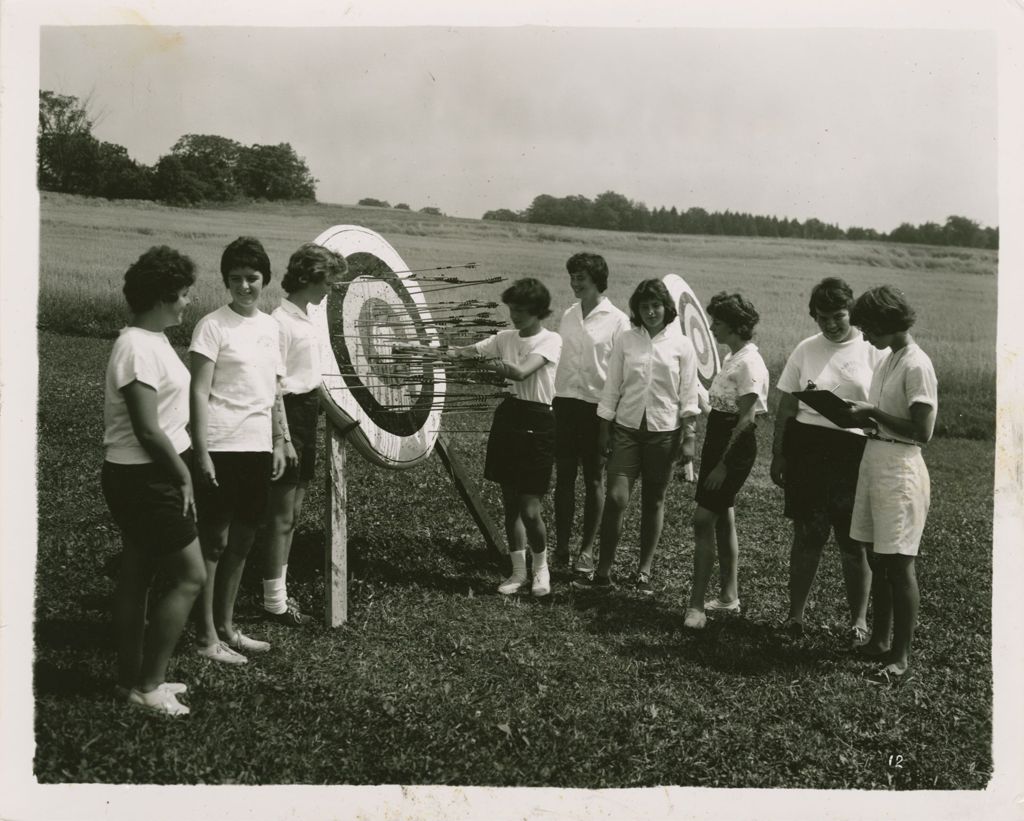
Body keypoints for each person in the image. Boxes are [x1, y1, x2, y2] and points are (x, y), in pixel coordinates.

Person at [102, 246, 207, 716]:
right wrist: (182, 473)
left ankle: (131, 682)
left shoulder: (153, 339)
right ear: (163, 296)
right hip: (147, 477)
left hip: (145, 474)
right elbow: (147, 429)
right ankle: (149, 687)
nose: (188, 302)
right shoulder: (136, 347)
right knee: (190, 575)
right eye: (183, 295)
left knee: (139, 573)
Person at [190, 237, 294, 664]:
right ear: (226, 282)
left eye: (252, 278)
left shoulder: (272, 327)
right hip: (220, 444)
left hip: (257, 449)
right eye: (235, 279)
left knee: (244, 540)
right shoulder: (211, 326)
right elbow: (198, 392)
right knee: (213, 543)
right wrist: (201, 451)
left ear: (264, 279)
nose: (244, 286)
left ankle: (229, 628)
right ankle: (205, 636)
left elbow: (273, 391)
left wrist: (279, 439)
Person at [770, 278, 885, 647]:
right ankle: (795, 615)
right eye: (822, 318)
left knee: (854, 542)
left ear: (850, 312)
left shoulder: (873, 351)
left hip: (853, 451)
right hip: (808, 449)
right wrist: (779, 453)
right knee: (808, 535)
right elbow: (787, 405)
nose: (831, 324)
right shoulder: (806, 349)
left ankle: (858, 622)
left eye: (838, 316)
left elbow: (886, 408)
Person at [572, 278, 700, 596]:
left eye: (656, 305)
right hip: (626, 431)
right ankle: (603, 572)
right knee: (616, 498)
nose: (651, 311)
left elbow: (688, 394)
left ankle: (643, 571)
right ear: (637, 310)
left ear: (667, 307)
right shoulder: (626, 340)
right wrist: (604, 429)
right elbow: (612, 385)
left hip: (665, 434)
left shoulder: (682, 345)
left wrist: (689, 437)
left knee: (654, 500)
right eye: (644, 307)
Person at [447, 278, 562, 597]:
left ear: (539, 311)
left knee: (530, 507)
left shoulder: (551, 340)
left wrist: (488, 362)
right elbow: (468, 351)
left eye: (522, 311)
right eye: (512, 310)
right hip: (510, 417)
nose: (515, 316)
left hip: (539, 420)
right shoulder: (504, 337)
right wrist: (445, 351)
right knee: (511, 504)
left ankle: (541, 571)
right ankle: (518, 573)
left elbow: (522, 371)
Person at [846, 285, 937, 684]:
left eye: (868, 328)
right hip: (876, 459)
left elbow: (923, 431)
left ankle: (899, 658)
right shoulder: (888, 360)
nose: (864, 336)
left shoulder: (916, 364)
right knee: (878, 557)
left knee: (899, 563)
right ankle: (880, 641)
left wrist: (874, 413)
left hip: (900, 469)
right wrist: (863, 417)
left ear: (887, 323)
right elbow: (884, 418)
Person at [261, 243, 348, 626]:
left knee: (292, 514)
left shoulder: (306, 317)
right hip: (287, 417)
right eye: (328, 280)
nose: (331, 288)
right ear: (309, 278)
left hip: (306, 412)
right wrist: (284, 436)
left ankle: (278, 589)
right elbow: (272, 385)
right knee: (280, 516)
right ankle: (273, 601)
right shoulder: (279, 322)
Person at [684, 291, 768, 629]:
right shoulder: (734, 357)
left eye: (717, 322)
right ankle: (729, 597)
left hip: (732, 449)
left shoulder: (749, 363)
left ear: (734, 326)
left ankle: (696, 607)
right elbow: (722, 407)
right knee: (723, 519)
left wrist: (723, 465)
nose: (712, 327)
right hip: (718, 443)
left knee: (704, 520)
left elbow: (747, 421)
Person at [552, 252, 630, 575]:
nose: (574, 283)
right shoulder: (568, 315)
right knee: (564, 479)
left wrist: (608, 420)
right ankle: (561, 547)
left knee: (594, 479)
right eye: (571, 277)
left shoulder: (618, 320)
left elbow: (619, 373)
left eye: (580, 278)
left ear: (597, 280)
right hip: (565, 404)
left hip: (598, 410)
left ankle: (586, 550)